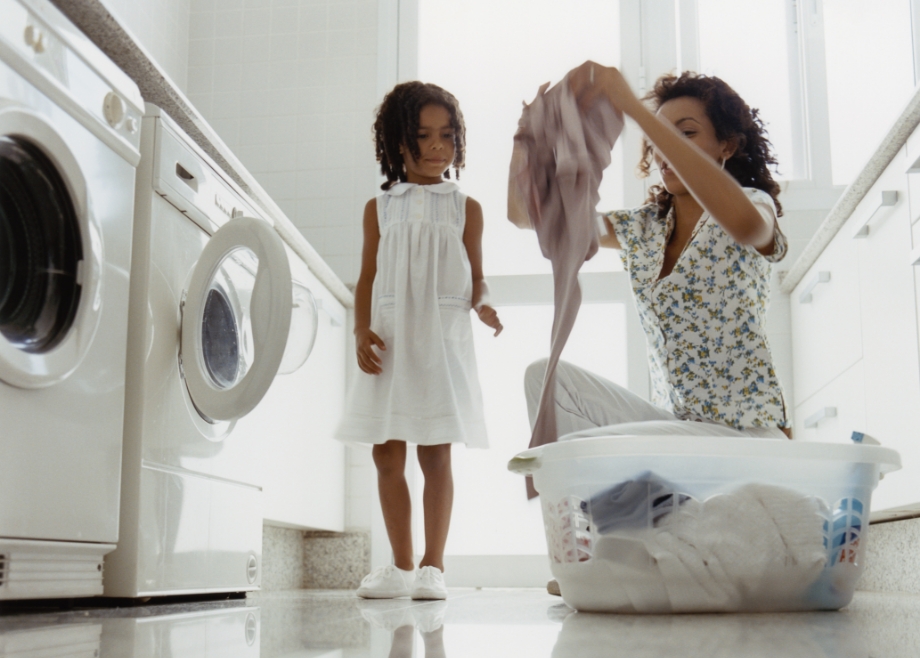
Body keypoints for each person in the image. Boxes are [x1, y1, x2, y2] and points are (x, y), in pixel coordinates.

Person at [525, 64, 790, 595]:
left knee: (611, 448)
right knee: (546, 379)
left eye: (685, 132)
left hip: (746, 438)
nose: (665, 147)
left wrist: (631, 103)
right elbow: (540, 217)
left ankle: (614, 555)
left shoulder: (752, 208)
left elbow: (744, 224)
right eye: (659, 137)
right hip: (682, 437)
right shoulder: (646, 231)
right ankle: (595, 550)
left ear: (727, 144)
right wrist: (536, 139)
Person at [336, 81, 503, 601]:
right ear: (396, 143)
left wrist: (485, 303)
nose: (437, 147)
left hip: (440, 342)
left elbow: (477, 276)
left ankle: (434, 566)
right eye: (423, 136)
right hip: (389, 340)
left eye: (447, 136)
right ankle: (400, 565)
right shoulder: (380, 208)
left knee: (436, 456)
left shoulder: (465, 208)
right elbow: (366, 278)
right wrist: (362, 329)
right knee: (387, 456)